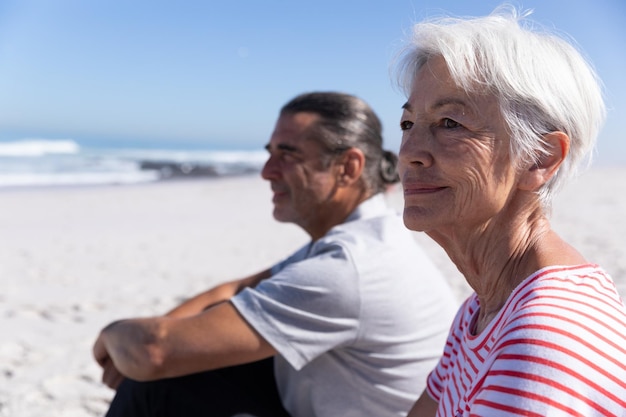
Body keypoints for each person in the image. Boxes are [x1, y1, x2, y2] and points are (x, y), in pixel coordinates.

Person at [93, 91, 457, 417]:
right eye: (270, 154)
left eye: (288, 154)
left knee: (155, 385)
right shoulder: (366, 237)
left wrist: (112, 334)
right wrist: (166, 329)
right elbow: (236, 290)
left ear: (348, 168)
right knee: (197, 360)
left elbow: (153, 352)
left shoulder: (349, 268)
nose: (267, 171)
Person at [393, 5, 626, 417]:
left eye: (450, 123)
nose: (409, 154)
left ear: (539, 158)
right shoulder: (481, 310)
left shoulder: (545, 339)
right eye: (408, 124)